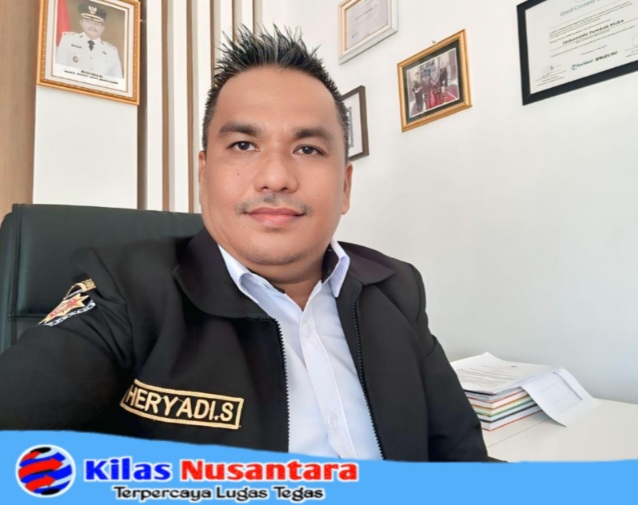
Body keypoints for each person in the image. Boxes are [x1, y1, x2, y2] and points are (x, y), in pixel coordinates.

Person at [0, 27, 487, 462]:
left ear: (344, 187)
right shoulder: (124, 291)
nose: (275, 176)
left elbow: (462, 463)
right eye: (243, 145)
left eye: (308, 149)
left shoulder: (397, 287)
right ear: (204, 174)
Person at [55, 1, 123, 79]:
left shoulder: (111, 51)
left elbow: (117, 81)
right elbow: (58, 70)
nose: (92, 26)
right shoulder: (68, 40)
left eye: (97, 24)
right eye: (89, 22)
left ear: (102, 28)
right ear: (81, 23)